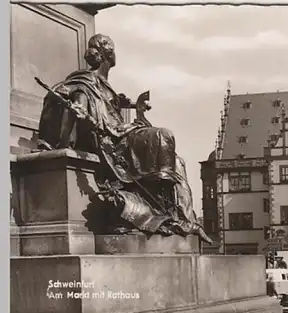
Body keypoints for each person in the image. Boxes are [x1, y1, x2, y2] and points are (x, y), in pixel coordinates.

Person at [36, 34, 212, 243]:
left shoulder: (104, 83)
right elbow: (79, 98)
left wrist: (125, 104)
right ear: (107, 54)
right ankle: (161, 211)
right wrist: (80, 110)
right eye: (114, 50)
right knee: (163, 135)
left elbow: (108, 106)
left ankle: (180, 218)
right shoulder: (85, 81)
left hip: (121, 132)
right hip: (111, 140)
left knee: (177, 161)